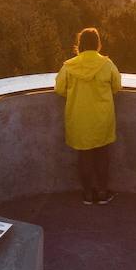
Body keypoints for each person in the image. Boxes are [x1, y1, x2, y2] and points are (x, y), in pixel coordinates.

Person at [54, 26, 121, 205]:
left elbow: (59, 89)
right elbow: (117, 86)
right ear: (98, 44)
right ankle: (102, 192)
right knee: (102, 154)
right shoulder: (107, 64)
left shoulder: (69, 66)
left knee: (84, 155)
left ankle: (87, 194)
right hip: (102, 117)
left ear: (80, 44)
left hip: (79, 117)